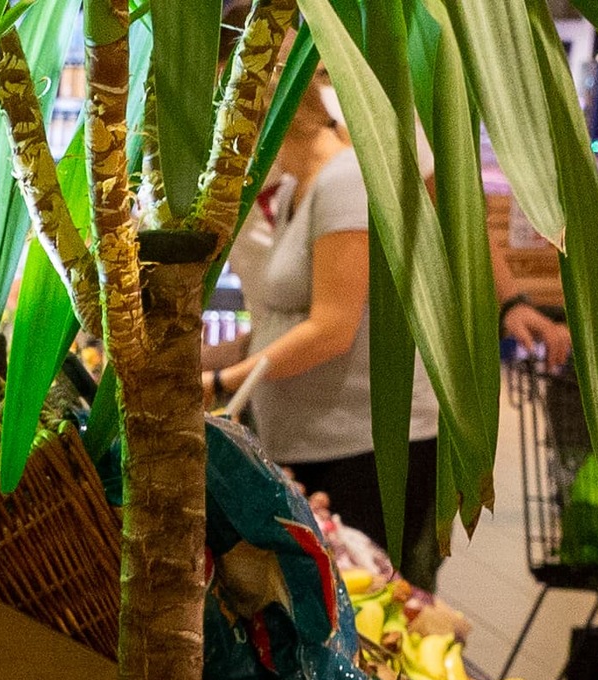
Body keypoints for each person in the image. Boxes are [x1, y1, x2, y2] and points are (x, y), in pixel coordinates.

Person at [211, 78, 565, 577]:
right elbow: (283, 320)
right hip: (299, 432)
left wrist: (510, 301)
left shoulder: (354, 163)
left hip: (364, 441)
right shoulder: (292, 187)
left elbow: (334, 325)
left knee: (380, 604)